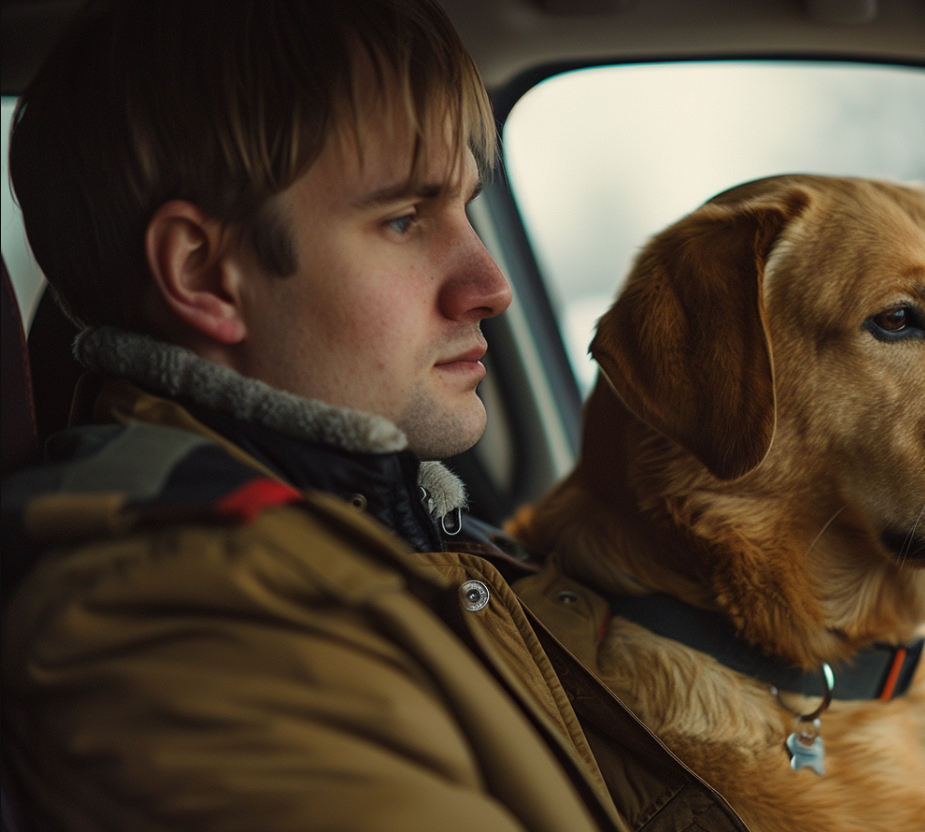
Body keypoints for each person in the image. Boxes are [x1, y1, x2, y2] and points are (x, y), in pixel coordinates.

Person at [1, 2, 746, 830]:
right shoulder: (184, 623)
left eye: (467, 207)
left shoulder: (413, 528)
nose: (489, 285)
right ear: (204, 274)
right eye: (403, 219)